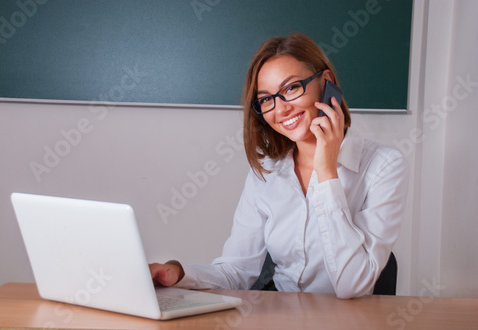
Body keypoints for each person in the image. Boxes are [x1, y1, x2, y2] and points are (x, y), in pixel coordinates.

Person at [149, 32, 409, 299]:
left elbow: (352, 286)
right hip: (281, 317)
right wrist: (179, 275)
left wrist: (327, 172)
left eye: (291, 88)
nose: (281, 109)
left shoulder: (384, 167)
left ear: (326, 82)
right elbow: (237, 271)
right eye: (266, 99)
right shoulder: (267, 171)